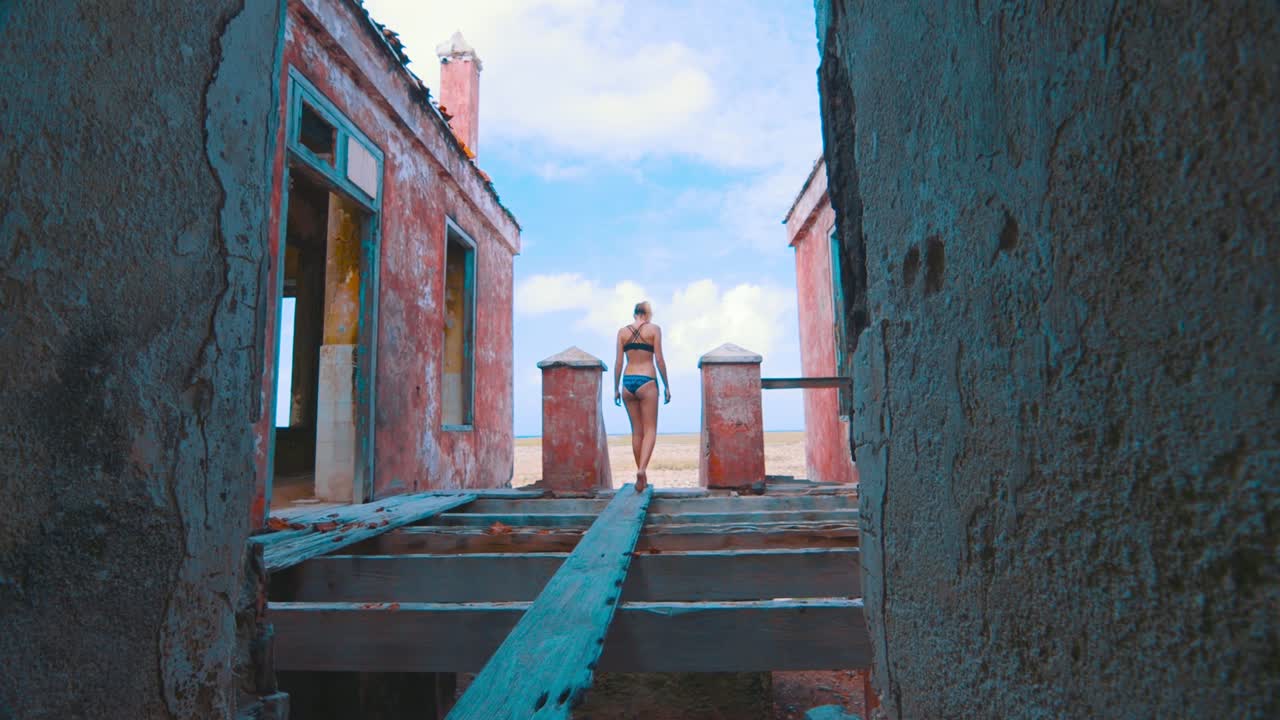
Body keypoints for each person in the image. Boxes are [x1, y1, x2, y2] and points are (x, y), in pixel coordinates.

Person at [613, 301, 670, 491]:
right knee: (650, 430)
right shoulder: (654, 329)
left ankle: (641, 473)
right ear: (647, 314)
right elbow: (660, 360)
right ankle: (642, 470)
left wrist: (615, 388)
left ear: (635, 313)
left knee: (636, 432)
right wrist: (667, 385)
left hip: (627, 382)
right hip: (647, 380)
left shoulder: (622, 332)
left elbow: (618, 363)